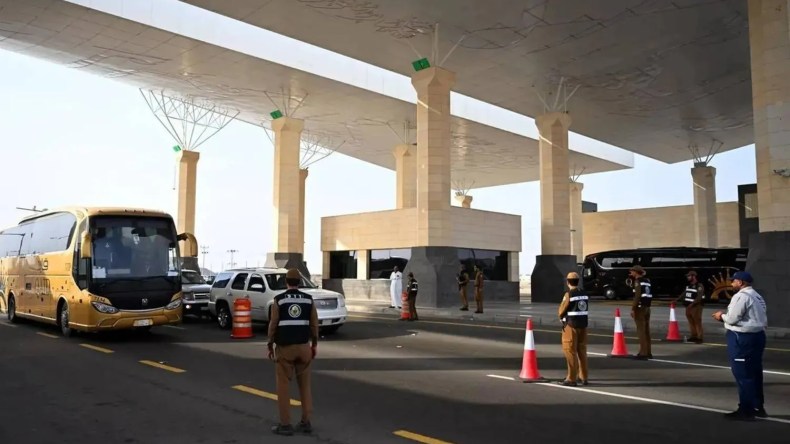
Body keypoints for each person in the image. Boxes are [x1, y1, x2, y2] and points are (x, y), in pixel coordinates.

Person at [267, 268, 319, 436]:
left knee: (283, 386)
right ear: (300, 282)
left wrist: (270, 344)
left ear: (286, 282)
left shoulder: (279, 300)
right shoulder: (308, 300)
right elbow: (314, 325)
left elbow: (273, 324)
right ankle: (306, 422)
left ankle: (285, 424)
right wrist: (314, 345)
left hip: (285, 349)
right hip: (304, 348)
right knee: (305, 386)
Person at [712, 271, 768, 421]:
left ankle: (746, 410)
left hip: (742, 337)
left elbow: (732, 319)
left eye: (734, 281)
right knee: (755, 372)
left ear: (741, 282)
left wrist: (720, 316)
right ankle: (757, 406)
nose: (731, 283)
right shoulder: (757, 296)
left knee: (743, 374)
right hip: (758, 336)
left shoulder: (741, 296)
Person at [557, 271, 589, 386]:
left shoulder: (569, 294)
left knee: (570, 351)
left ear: (568, 282)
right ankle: (583, 376)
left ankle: (571, 378)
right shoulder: (584, 293)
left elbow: (561, 310)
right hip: (583, 325)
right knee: (582, 351)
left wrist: (561, 316)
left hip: (571, 326)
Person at [674, 270, 705, 343]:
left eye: (689, 276)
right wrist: (676, 300)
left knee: (697, 322)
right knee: (691, 322)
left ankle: (700, 338)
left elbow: (699, 297)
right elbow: (684, 294)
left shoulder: (699, 286)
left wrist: (692, 304)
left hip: (696, 306)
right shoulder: (689, 286)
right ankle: (693, 336)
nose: (687, 277)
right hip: (688, 306)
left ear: (693, 276)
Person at [629, 265, 652, 359]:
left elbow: (637, 296)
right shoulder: (647, 281)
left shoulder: (637, 282)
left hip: (640, 308)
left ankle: (643, 353)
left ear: (636, 272)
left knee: (641, 331)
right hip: (647, 307)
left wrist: (633, 309)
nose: (631, 273)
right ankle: (648, 352)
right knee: (646, 331)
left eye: (632, 271)